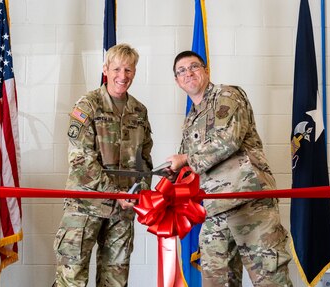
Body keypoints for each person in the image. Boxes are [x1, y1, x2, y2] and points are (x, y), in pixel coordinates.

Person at [166, 51, 293, 287]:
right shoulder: (190, 119)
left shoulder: (227, 95)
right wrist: (173, 174)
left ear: (206, 70)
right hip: (215, 208)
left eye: (194, 67)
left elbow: (228, 140)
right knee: (216, 282)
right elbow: (191, 165)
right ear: (177, 81)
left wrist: (184, 159)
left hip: (250, 201)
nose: (188, 73)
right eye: (181, 71)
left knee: (270, 280)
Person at [53, 43, 153, 287]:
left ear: (135, 72)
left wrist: (138, 192)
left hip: (122, 210)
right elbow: (81, 159)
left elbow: (146, 157)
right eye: (117, 69)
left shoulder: (138, 111)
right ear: (105, 69)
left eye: (128, 70)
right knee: (71, 280)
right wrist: (114, 193)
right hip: (85, 206)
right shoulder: (88, 105)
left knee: (115, 282)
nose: (123, 76)